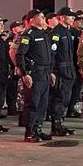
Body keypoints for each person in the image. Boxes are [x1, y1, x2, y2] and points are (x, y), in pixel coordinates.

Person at [16, 9, 55, 142]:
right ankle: (30, 132)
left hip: (45, 73)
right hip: (35, 74)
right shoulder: (28, 34)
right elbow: (20, 55)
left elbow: (48, 56)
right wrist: (25, 73)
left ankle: (38, 129)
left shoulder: (43, 34)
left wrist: (51, 72)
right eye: (41, 17)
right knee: (32, 103)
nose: (44, 18)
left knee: (42, 104)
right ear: (32, 20)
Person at [47, 7, 78, 138]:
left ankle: (61, 123)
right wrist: (52, 71)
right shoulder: (56, 33)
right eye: (70, 16)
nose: (73, 18)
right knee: (59, 98)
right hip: (60, 69)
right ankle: (56, 125)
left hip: (69, 68)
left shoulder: (67, 32)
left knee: (66, 98)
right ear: (62, 18)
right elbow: (52, 53)